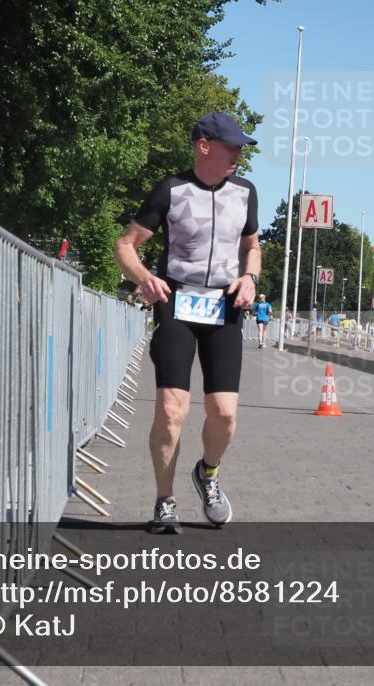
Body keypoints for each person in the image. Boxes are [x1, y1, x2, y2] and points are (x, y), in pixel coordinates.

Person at [114, 112, 261, 534]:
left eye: (239, 147)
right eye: (231, 146)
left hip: (225, 308)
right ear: (204, 146)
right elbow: (125, 245)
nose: (238, 153)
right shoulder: (171, 190)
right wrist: (144, 278)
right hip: (177, 303)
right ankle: (164, 501)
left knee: (224, 414)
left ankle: (208, 474)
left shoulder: (246, 192)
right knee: (171, 408)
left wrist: (250, 277)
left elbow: (252, 247)